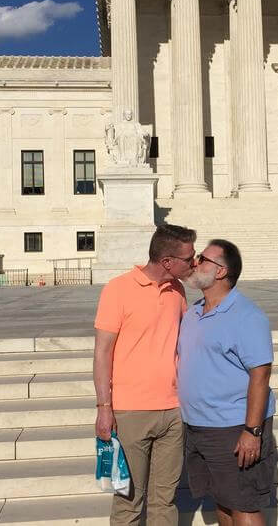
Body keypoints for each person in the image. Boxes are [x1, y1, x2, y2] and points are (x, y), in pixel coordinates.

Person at [93, 223, 197, 526]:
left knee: (165, 501)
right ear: (167, 261)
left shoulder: (177, 290)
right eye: (189, 258)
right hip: (130, 413)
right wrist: (104, 408)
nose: (194, 262)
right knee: (128, 501)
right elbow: (102, 352)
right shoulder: (118, 288)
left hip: (173, 411)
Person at [178, 239, 277, 526]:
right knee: (221, 501)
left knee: (244, 505)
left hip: (234, 427)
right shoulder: (194, 311)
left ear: (221, 272)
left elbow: (261, 376)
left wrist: (252, 431)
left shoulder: (247, 316)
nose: (195, 263)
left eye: (203, 259)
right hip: (199, 426)